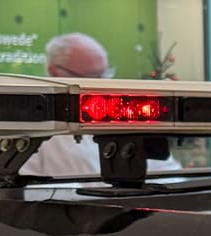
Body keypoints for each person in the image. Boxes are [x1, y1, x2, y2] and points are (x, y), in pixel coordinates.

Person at [21, 33, 179, 181]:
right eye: (92, 77)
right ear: (54, 72)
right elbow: (21, 193)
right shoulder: (30, 127)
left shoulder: (127, 112)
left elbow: (168, 173)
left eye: (105, 74)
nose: (102, 84)